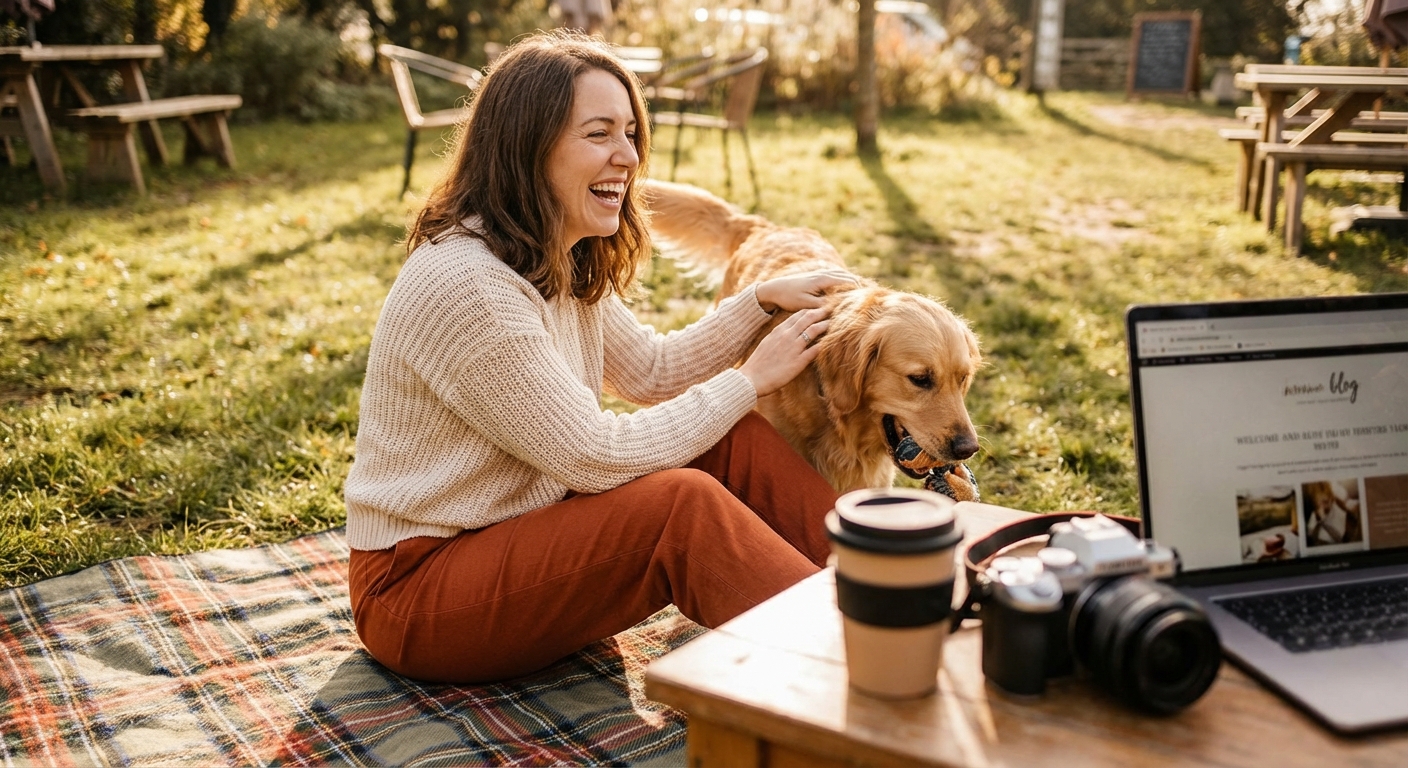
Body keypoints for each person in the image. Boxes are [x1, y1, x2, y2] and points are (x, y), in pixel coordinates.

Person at [343, 30, 856, 684]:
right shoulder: (470, 287)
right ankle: (851, 667)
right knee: (679, 506)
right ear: (528, 147)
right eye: (599, 134)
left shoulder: (552, 252)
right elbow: (592, 455)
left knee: (729, 441)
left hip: (511, 537)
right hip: (416, 590)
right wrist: (749, 379)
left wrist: (757, 302)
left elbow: (651, 371)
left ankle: (892, 582)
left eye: (631, 134)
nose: (629, 157)